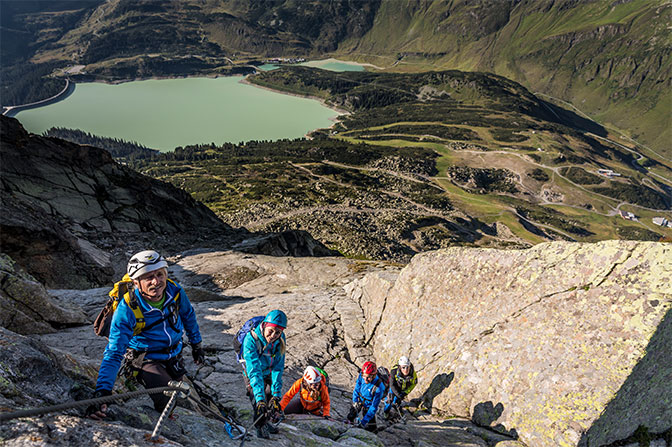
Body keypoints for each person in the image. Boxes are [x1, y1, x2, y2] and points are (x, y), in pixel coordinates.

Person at [87, 250, 205, 419]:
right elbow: (114, 352)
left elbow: (188, 317)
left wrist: (197, 345)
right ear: (136, 282)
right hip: (145, 358)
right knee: (167, 396)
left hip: (174, 353)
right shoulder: (127, 308)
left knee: (177, 392)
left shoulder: (175, 292)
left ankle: (166, 413)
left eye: (160, 274)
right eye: (148, 277)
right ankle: (163, 421)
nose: (156, 281)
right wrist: (103, 391)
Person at [240, 309, 287, 439]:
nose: (273, 335)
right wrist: (260, 398)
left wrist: (277, 395)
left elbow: (278, 367)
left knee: (270, 397)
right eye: (270, 331)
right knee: (257, 400)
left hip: (269, 369)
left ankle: (266, 422)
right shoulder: (251, 339)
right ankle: (260, 426)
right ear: (265, 325)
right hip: (252, 370)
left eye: (277, 332)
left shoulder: (280, 339)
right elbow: (254, 371)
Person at [346, 361, 385, 432]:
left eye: (368, 377)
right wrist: (355, 401)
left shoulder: (379, 387)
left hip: (369, 404)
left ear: (373, 375)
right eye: (364, 376)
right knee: (351, 415)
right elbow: (357, 387)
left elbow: (374, 407)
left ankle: (373, 430)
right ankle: (349, 423)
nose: (365, 379)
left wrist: (363, 423)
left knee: (370, 421)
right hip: (360, 400)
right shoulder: (361, 375)